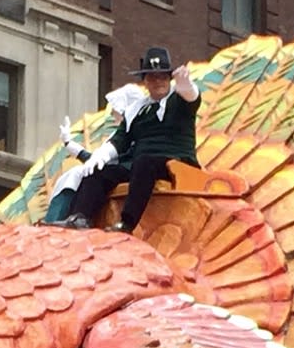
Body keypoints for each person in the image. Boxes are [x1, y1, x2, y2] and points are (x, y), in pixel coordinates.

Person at [62, 47, 200, 234]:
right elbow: (120, 140)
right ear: (145, 81)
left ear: (170, 79)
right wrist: (99, 157)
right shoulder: (137, 110)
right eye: (152, 77)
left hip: (174, 162)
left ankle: (127, 224)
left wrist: (187, 87)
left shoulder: (178, 101)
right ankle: (79, 218)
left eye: (163, 77)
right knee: (99, 172)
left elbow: (192, 99)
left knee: (144, 162)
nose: (158, 81)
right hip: (141, 168)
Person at [46, 84, 149, 224]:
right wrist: (69, 144)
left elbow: (107, 160)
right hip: (125, 168)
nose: (113, 115)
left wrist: (72, 147)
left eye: (116, 110)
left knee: (90, 174)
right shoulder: (122, 131)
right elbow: (99, 159)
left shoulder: (134, 129)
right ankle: (67, 217)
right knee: (79, 173)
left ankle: (76, 217)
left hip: (134, 170)